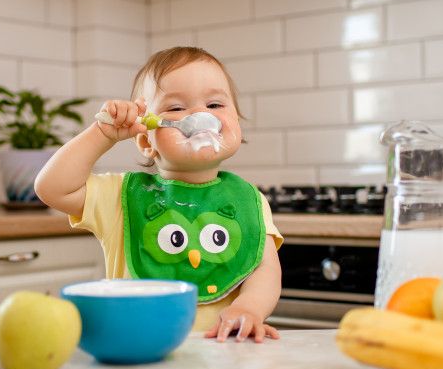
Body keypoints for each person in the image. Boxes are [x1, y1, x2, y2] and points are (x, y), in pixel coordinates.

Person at [35, 47, 283, 343]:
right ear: (145, 141)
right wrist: (101, 134)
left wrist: (248, 309)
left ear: (237, 126)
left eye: (215, 104)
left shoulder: (248, 199)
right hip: (138, 352)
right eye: (176, 109)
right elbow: (51, 188)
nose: (201, 115)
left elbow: (264, 270)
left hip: (224, 357)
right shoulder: (121, 196)